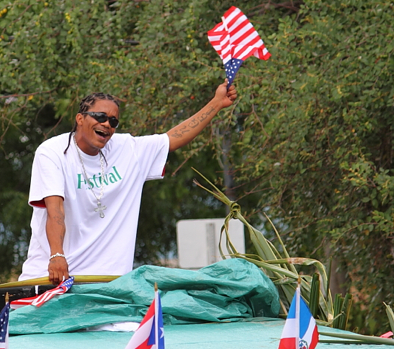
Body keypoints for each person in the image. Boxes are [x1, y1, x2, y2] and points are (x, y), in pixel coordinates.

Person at [19, 81, 238, 284]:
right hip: (54, 277)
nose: (107, 125)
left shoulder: (127, 149)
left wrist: (216, 103)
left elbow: (173, 138)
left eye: (113, 121)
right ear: (80, 118)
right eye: (100, 117)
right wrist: (57, 255)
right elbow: (55, 210)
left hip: (107, 284)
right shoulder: (52, 152)